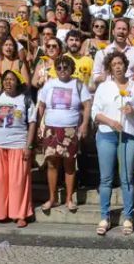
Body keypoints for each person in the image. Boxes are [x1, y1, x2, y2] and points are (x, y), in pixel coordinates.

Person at [92, 51, 134, 236]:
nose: (118, 66)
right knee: (106, 178)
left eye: (120, 63)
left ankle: (128, 217)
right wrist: (110, 122)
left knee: (127, 178)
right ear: (110, 68)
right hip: (107, 134)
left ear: (125, 65)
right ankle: (104, 216)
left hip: (129, 135)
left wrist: (132, 110)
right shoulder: (103, 87)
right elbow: (95, 112)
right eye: (114, 64)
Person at [0, 69, 37, 228]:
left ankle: (20, 214)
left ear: (17, 83)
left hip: (18, 146)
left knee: (17, 183)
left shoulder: (25, 99)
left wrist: (29, 145)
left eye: (12, 79)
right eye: (6, 79)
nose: (8, 82)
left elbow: (32, 123)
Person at [37, 55, 92, 214]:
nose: (62, 70)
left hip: (70, 129)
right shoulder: (49, 84)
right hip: (51, 128)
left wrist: (84, 124)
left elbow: (87, 105)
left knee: (69, 164)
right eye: (59, 67)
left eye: (65, 67)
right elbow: (41, 105)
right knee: (52, 163)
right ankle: (52, 198)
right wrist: (40, 124)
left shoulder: (78, 84)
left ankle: (68, 198)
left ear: (71, 69)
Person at [92, 19, 134, 84]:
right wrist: (104, 76)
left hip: (129, 91)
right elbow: (95, 77)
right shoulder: (102, 53)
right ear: (113, 32)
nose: (121, 31)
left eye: (124, 29)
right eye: (118, 28)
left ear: (128, 33)